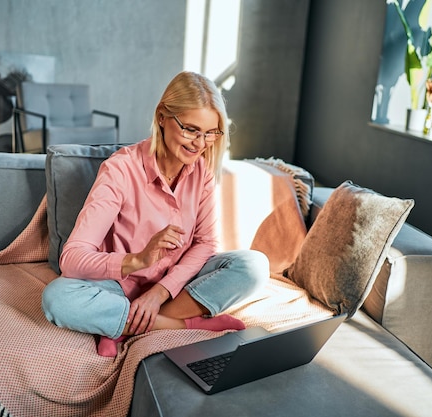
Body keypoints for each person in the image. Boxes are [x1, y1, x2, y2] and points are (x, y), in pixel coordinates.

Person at [42, 71, 270, 357]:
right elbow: (72, 258)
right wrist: (137, 260)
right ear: (162, 116)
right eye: (190, 129)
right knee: (57, 298)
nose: (199, 144)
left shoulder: (202, 172)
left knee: (254, 265)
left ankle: (124, 324)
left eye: (210, 133)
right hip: (116, 288)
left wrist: (159, 292)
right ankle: (180, 325)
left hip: (177, 284)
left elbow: (206, 244)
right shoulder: (121, 170)